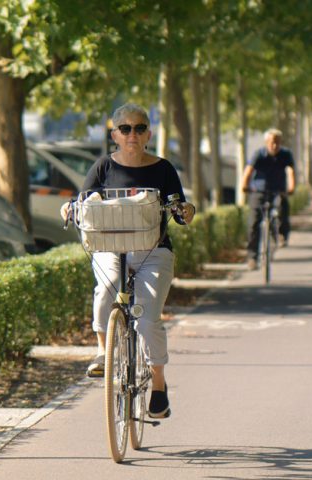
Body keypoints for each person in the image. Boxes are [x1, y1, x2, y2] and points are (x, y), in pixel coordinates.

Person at [61, 103, 195, 419]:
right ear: (115, 135)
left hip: (153, 251)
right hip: (110, 248)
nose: (132, 134)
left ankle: (158, 384)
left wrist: (185, 212)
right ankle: (103, 352)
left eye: (138, 128)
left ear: (148, 133)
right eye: (125, 129)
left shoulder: (163, 169)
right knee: (105, 291)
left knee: (148, 318)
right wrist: (68, 209)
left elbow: (178, 207)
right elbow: (80, 202)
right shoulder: (102, 168)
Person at [240, 128, 295, 270]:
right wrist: (244, 186)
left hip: (278, 190)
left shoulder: (286, 154)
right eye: (271, 142)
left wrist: (291, 187)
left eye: (277, 142)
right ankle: (252, 257)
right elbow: (248, 170)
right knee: (254, 223)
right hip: (259, 191)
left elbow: (290, 171)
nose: (274, 145)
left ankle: (282, 234)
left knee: (283, 206)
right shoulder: (259, 154)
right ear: (266, 143)